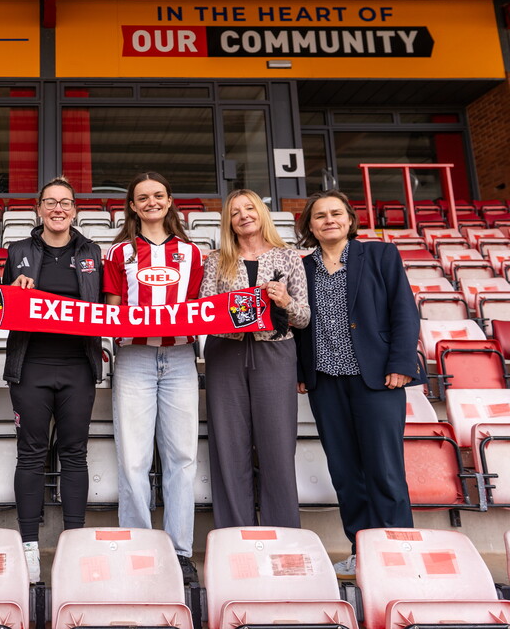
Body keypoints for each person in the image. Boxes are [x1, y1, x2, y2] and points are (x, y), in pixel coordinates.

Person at [294, 189, 425, 579]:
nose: (329, 220)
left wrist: (401, 362)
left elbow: (403, 311)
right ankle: (362, 551)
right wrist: (302, 373)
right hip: (326, 382)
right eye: (320, 216)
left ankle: (398, 552)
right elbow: (299, 325)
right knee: (346, 472)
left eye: (336, 213)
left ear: (350, 220)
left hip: (377, 379)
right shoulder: (302, 267)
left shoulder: (380, 255)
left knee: (384, 469)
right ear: (310, 226)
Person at [103, 171, 204, 584]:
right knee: (133, 459)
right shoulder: (118, 254)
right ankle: (140, 546)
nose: (150, 202)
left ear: (169, 200)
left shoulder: (193, 253)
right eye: (142, 197)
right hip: (134, 358)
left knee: (182, 457)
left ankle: (180, 551)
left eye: (158, 195)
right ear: (132, 205)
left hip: (180, 357)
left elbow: (199, 308)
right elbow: (110, 309)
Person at [3, 177, 103, 583]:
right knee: (30, 452)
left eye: (65, 202)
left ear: (75, 209)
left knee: (74, 453)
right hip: (31, 367)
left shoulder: (92, 252)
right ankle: (29, 544)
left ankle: (73, 544)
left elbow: (102, 308)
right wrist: (14, 291)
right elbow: (3, 307)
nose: (58, 208)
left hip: (78, 367)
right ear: (39, 209)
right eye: (50, 202)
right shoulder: (19, 251)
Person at [199, 189, 310, 529]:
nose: (244, 215)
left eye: (250, 208)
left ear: (262, 213)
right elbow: (203, 310)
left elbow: (304, 317)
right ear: (228, 222)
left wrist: (285, 302)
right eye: (235, 212)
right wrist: (229, 306)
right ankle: (234, 534)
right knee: (229, 447)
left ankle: (285, 533)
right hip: (225, 354)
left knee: (277, 447)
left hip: (275, 352)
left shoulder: (289, 257)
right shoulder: (216, 260)